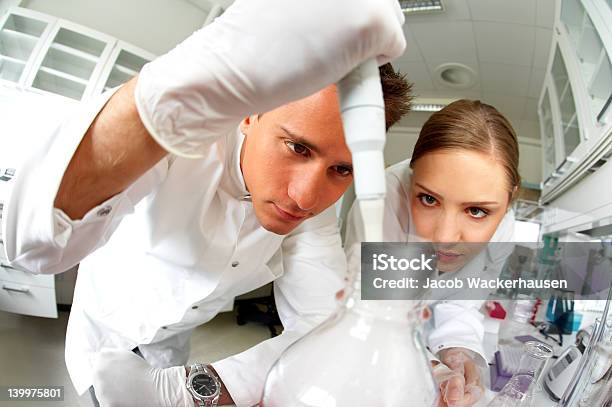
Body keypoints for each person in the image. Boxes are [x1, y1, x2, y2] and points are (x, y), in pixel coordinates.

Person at [1, 1, 409, 406]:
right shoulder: (185, 143)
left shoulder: (315, 206)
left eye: (342, 169)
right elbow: (36, 248)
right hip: (103, 336)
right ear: (250, 115)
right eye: (297, 147)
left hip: (175, 351)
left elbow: (324, 321)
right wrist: (193, 68)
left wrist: (207, 388)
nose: (305, 197)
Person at [344, 99, 520, 407]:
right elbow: (372, 315)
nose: (445, 237)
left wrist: (456, 350)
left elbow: (463, 300)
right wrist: (428, 368)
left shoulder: (504, 227)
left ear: (509, 200)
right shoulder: (381, 203)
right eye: (428, 199)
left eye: (476, 211)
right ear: (412, 178)